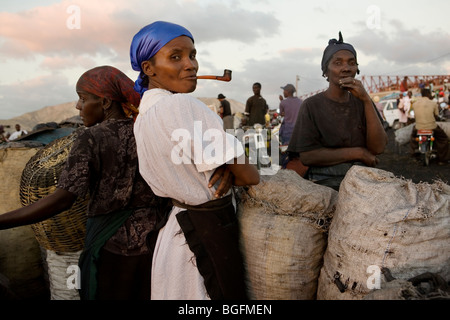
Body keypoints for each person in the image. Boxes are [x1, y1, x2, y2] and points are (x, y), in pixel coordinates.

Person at [0, 65, 176, 300]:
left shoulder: (91, 138)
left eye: (82, 99)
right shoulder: (147, 130)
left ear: (104, 103)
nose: (77, 106)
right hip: (157, 245)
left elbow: (62, 200)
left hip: (113, 248)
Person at [130, 21, 260, 300]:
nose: (191, 65)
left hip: (175, 239)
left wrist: (224, 166)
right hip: (206, 238)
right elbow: (250, 176)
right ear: (148, 68)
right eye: (175, 57)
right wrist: (229, 167)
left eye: (192, 55)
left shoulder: (144, 117)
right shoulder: (183, 106)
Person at [286, 32, 387, 191]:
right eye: (338, 63)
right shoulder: (312, 105)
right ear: (326, 71)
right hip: (324, 181)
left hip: (364, 180)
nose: (346, 68)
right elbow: (307, 156)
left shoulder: (363, 102)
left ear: (357, 69)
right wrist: (358, 153)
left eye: (351, 63)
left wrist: (367, 100)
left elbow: (378, 148)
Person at [410, 88, 449, 165]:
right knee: (443, 139)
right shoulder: (433, 103)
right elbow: (436, 115)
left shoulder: (415, 104)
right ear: (429, 94)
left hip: (418, 127)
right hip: (432, 126)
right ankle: (442, 160)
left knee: (412, 138)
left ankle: (414, 155)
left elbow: (415, 116)